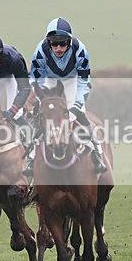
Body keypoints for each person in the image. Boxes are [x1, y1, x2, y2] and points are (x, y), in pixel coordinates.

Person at [25, 17, 107, 176]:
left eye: (63, 43)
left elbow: (84, 82)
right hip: (48, 81)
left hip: (72, 81)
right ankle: (30, 158)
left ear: (69, 42)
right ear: (48, 42)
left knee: (79, 115)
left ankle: (97, 153)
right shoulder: (40, 51)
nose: (58, 48)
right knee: (41, 117)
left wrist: (76, 106)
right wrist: (43, 100)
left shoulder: (80, 50)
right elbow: (36, 80)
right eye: (54, 43)